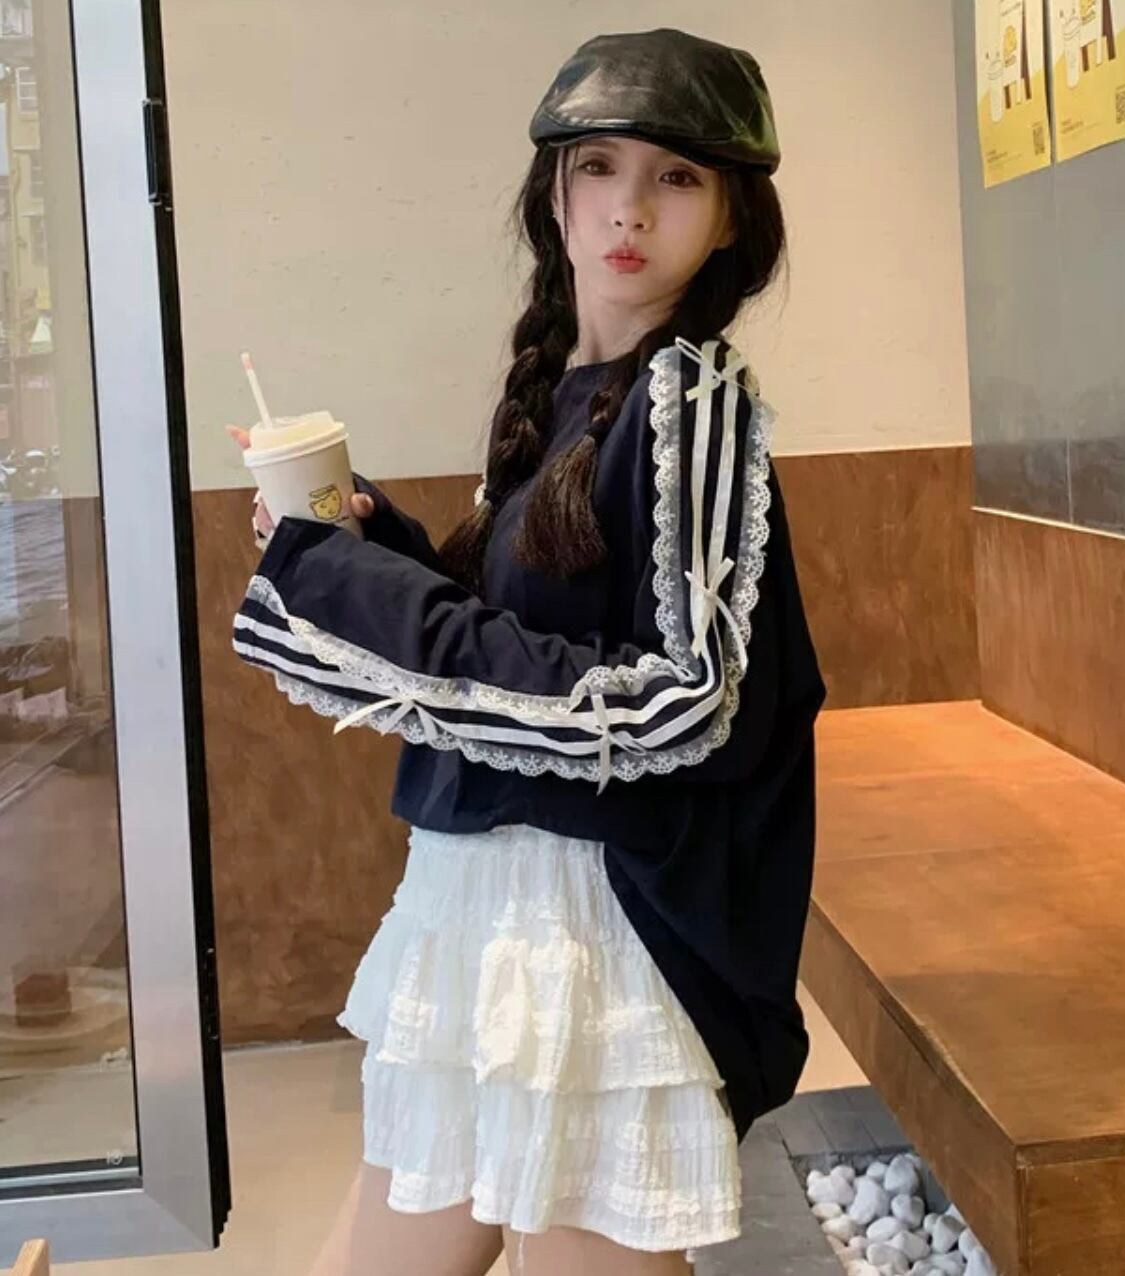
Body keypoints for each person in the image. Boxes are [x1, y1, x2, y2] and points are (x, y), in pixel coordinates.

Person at [228, 27, 826, 1276]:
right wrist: (368, 546)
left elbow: (678, 701)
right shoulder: (565, 391)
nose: (629, 208)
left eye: (676, 178)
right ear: (554, 195)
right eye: (598, 167)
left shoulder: (691, 397)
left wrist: (350, 589)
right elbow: (536, 629)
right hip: (488, 905)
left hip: (591, 929)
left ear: (730, 218)